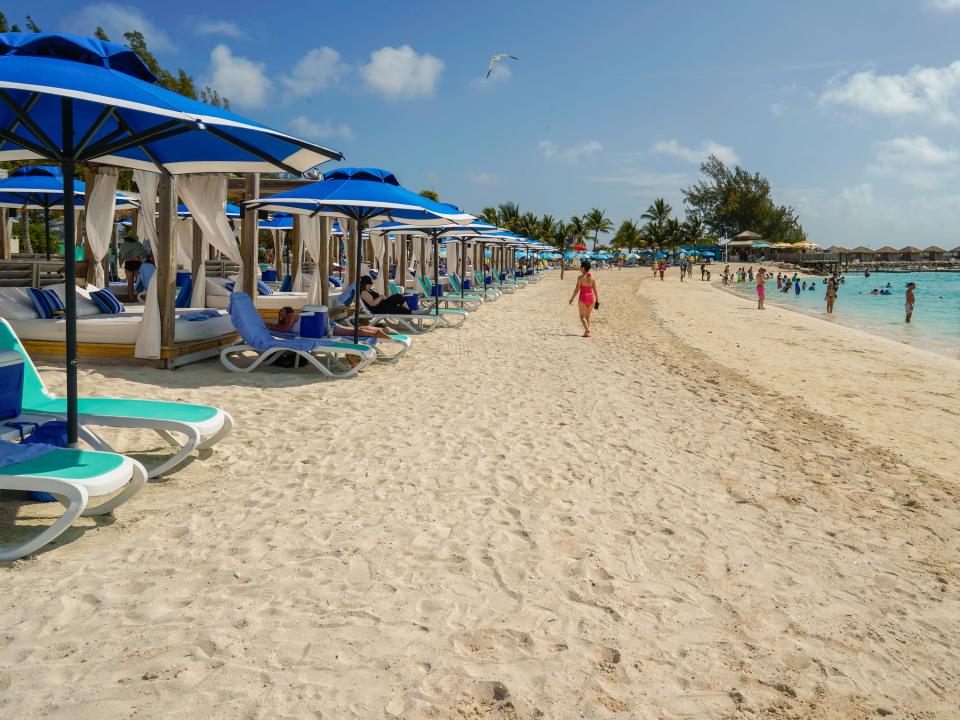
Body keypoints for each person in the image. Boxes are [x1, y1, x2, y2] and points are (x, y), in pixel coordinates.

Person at [569, 259, 598, 337]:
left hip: (583, 298)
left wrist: (572, 298)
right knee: (587, 317)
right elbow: (595, 290)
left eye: (581, 267)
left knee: (582, 316)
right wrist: (597, 300)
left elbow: (577, 289)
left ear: (584, 268)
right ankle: (586, 332)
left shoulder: (580, 277)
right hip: (591, 298)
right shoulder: (592, 278)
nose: (580, 268)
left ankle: (587, 330)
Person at [118, 232, 147, 302]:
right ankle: (140, 299)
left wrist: (121, 263)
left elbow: (121, 255)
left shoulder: (123, 245)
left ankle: (131, 299)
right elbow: (144, 254)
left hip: (128, 263)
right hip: (137, 263)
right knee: (139, 282)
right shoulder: (138, 245)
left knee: (130, 283)